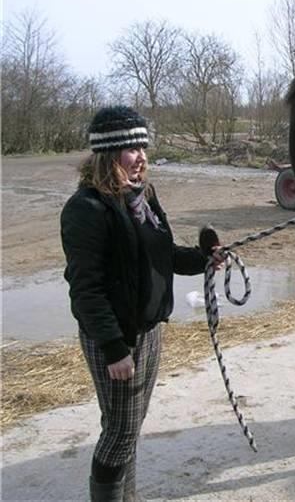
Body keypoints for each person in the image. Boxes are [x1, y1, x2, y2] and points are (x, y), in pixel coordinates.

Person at [60, 106, 222, 502]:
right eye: (132, 148)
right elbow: (85, 290)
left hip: (149, 333)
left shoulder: (142, 197)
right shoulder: (86, 209)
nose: (142, 157)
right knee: (119, 432)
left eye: (143, 147)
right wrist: (115, 348)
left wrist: (206, 260)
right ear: (108, 154)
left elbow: (162, 256)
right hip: (117, 340)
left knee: (127, 426)